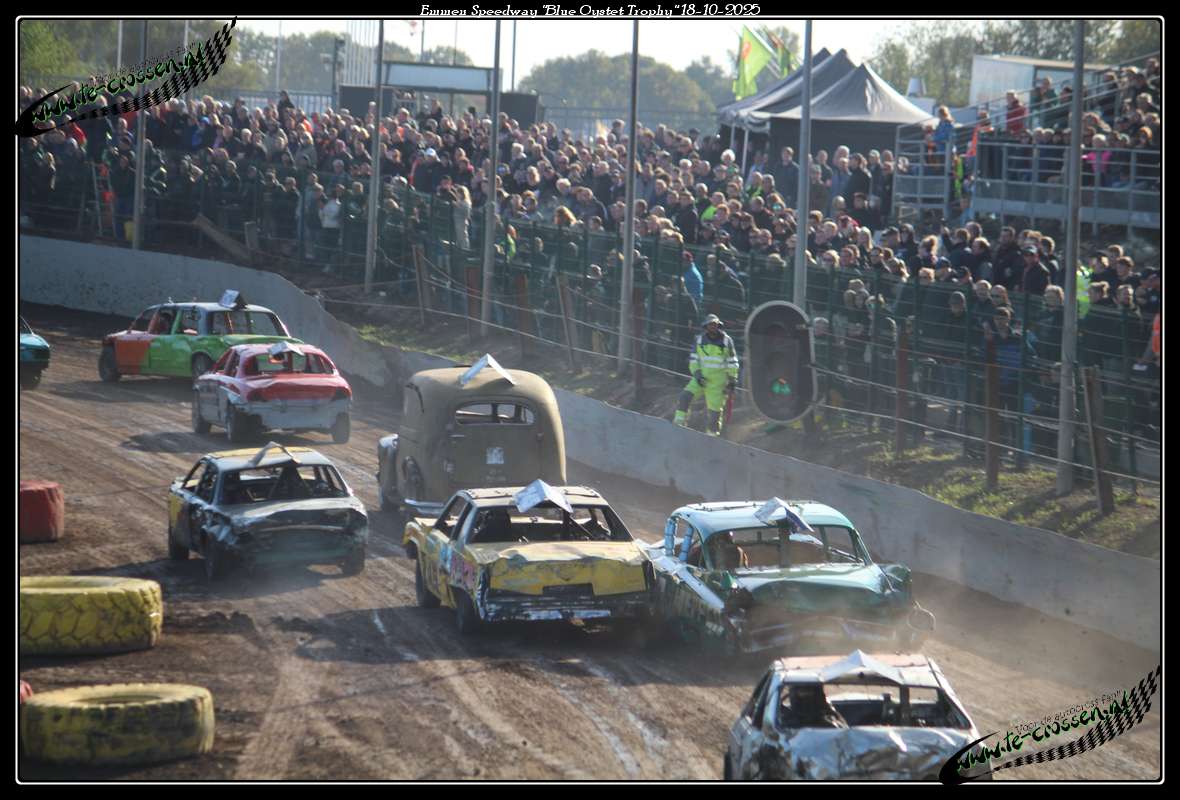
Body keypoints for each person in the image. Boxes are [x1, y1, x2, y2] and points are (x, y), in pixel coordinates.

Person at [673, 314, 740, 437]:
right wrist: (698, 375)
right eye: (710, 325)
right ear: (705, 327)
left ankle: (711, 438)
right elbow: (694, 360)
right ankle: (678, 426)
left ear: (718, 326)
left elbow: (732, 362)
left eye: (715, 324)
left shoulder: (727, 341)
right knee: (684, 397)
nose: (712, 327)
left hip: (718, 384)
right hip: (700, 379)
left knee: (714, 415)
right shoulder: (699, 340)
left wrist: (732, 380)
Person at [779, 684, 849, 729]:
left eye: (809, 692)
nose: (806, 695)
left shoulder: (832, 723)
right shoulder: (785, 721)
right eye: (802, 692)